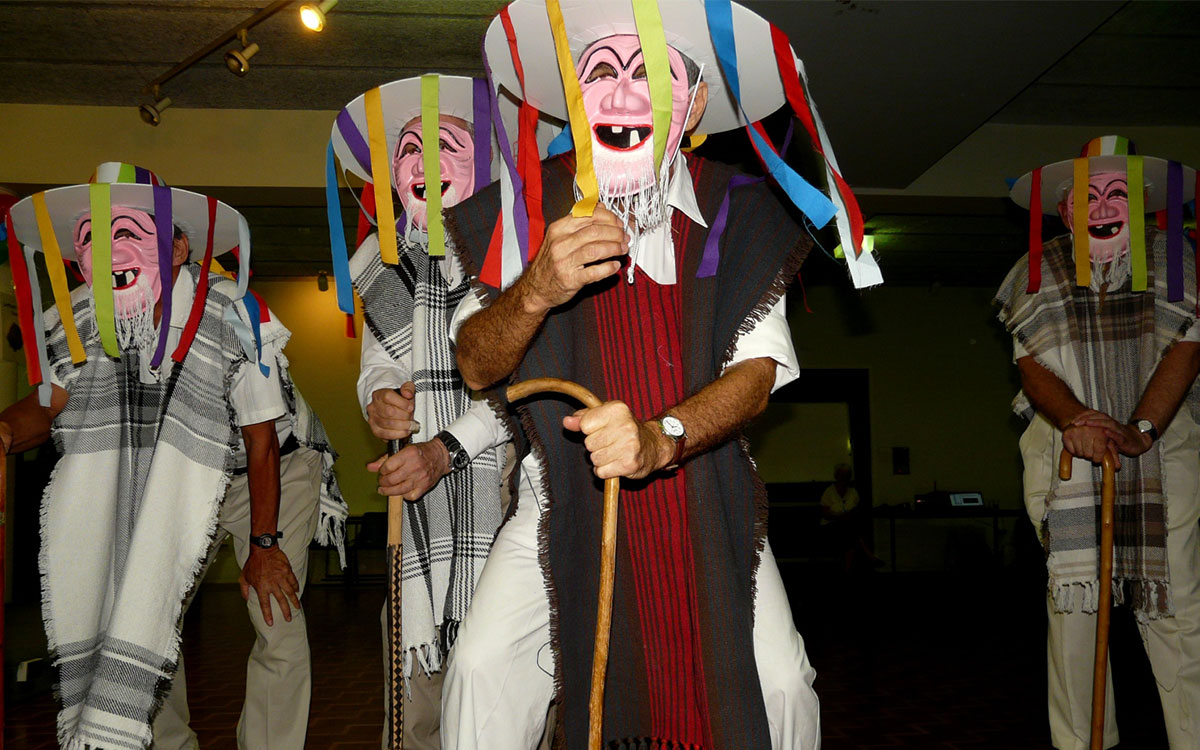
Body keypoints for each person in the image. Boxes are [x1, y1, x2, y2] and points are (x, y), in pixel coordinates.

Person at [440, 2, 873, 747]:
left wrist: (659, 436)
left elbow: (759, 373)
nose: (621, 93)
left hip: (705, 489)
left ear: (695, 103)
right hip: (559, 498)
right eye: (600, 71)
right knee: (479, 670)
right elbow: (476, 362)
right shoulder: (516, 211)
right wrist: (538, 287)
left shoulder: (739, 208)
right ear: (575, 98)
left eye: (652, 74)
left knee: (781, 687)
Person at [0, 162, 345, 750]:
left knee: (276, 618)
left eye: (128, 233)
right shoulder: (83, 318)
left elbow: (260, 439)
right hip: (177, 475)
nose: (111, 255)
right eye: (93, 239)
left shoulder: (234, 314)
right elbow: (50, 402)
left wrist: (263, 548)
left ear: (179, 246)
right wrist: (3, 432)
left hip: (272, 471)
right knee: (147, 615)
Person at [996, 136, 1200, 750]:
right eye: (1089, 197)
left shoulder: (1180, 263)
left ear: (1141, 208)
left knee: (1177, 612)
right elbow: (1033, 366)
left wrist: (1140, 429)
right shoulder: (1037, 271)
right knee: (1076, 613)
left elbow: (1187, 348)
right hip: (1065, 455)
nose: (1104, 207)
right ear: (1065, 212)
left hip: (1164, 451)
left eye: (1119, 195)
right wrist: (1079, 420)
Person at [328, 75, 508, 750]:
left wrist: (443, 452)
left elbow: (520, 389)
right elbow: (379, 360)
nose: (424, 166)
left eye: (446, 147)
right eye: (408, 149)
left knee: (503, 703)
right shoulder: (384, 265)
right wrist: (376, 397)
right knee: (415, 713)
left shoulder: (515, 250)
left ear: (483, 162)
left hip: (505, 497)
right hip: (420, 527)